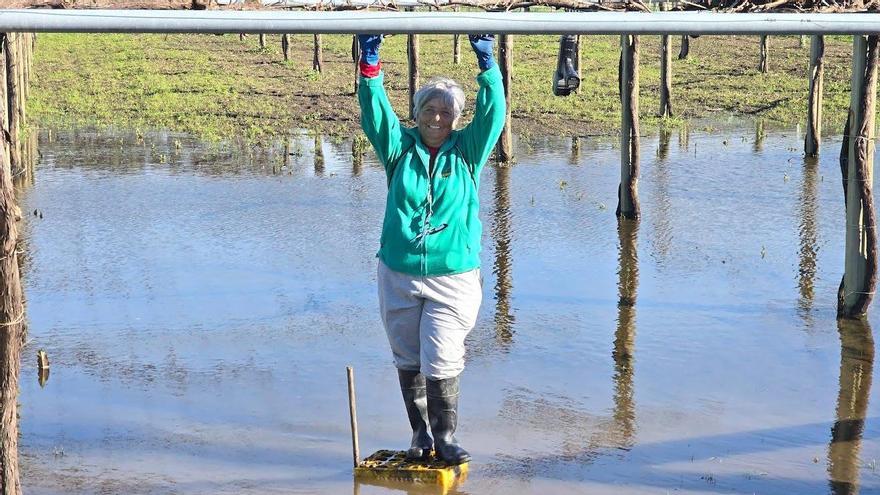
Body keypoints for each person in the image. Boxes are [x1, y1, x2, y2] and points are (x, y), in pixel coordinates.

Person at [357, 33, 506, 465]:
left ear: (456, 119)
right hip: (398, 274)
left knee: (441, 355)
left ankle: (446, 438)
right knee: (407, 357)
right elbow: (375, 116)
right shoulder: (399, 150)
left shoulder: (467, 153)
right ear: (417, 114)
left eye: (446, 112)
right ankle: (420, 435)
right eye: (429, 110)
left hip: (452, 277)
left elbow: (493, 116)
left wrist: (488, 67)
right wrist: (370, 66)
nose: (437, 119)